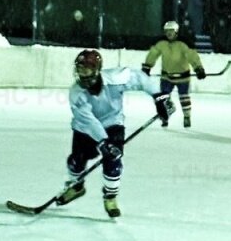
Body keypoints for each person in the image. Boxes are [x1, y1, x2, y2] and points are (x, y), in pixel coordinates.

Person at [60, 48, 172, 218]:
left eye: (87, 69)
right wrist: (102, 142)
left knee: (113, 160)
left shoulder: (115, 78)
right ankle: (75, 187)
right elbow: (89, 121)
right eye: (80, 69)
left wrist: (159, 96)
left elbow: (140, 78)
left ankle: (110, 197)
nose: (83, 74)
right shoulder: (76, 92)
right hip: (85, 129)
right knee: (76, 161)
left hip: (113, 124)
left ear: (97, 70)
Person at [142, 19, 205, 128]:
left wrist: (198, 68)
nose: (169, 33)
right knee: (163, 98)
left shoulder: (183, 43)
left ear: (176, 31)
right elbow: (153, 54)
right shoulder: (161, 43)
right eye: (166, 31)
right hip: (167, 76)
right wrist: (147, 66)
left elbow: (192, 56)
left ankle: (186, 116)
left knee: (184, 97)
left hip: (183, 77)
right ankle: (165, 117)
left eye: (171, 31)